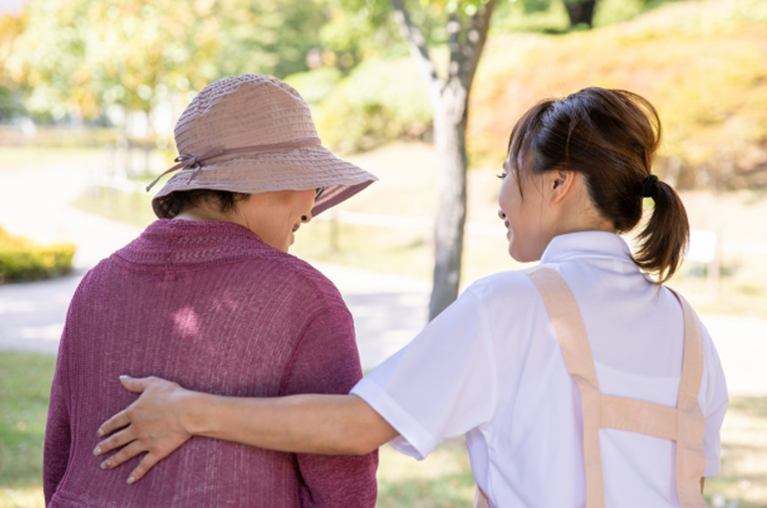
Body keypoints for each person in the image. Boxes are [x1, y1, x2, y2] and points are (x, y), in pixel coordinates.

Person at [94, 87, 728, 507]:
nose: (500, 197)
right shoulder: (688, 329)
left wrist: (187, 411)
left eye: (506, 174)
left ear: (559, 182)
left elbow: (355, 426)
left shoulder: (511, 306)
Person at [43, 74, 379, 508]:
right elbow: (341, 481)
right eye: (311, 182)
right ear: (268, 181)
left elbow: (60, 457)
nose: (311, 208)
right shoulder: (303, 298)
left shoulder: (98, 283)